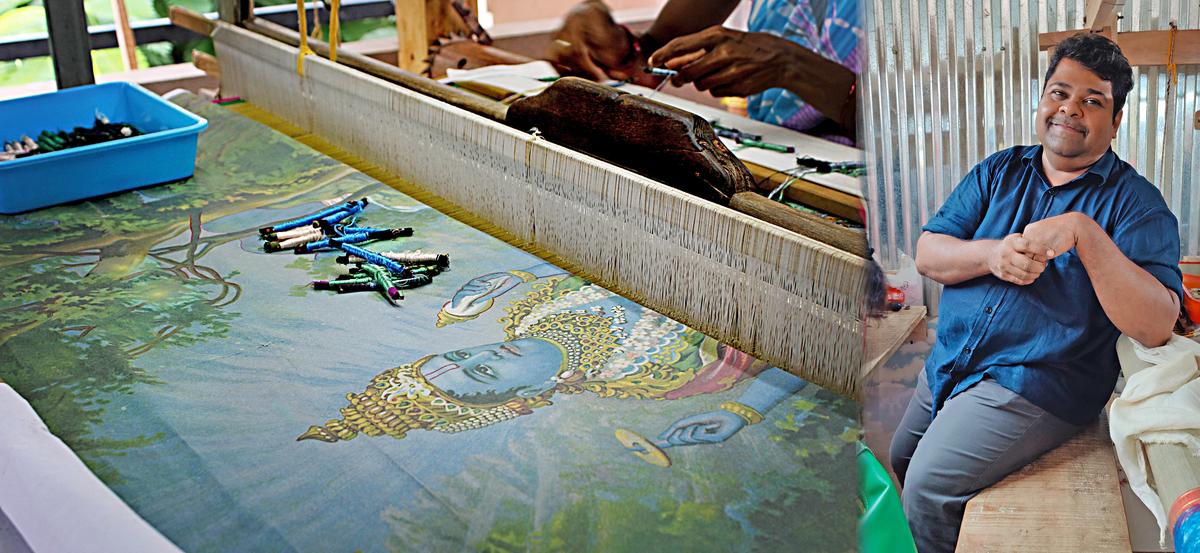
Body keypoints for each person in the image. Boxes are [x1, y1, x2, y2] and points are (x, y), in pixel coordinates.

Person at [888, 33, 1184, 553]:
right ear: (1042, 99)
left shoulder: (1138, 205)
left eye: (1093, 101)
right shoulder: (999, 170)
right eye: (1060, 93)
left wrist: (1084, 234)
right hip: (952, 363)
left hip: (1036, 385)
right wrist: (991, 254)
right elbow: (929, 253)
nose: (1070, 109)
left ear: (1115, 123)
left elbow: (1158, 324)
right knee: (902, 458)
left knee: (929, 486)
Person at [298, 263, 814, 450]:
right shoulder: (649, 379)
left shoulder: (525, 311)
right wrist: (744, 411)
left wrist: (505, 277)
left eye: (461, 352)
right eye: (482, 370)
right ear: (524, 394)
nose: (485, 350)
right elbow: (797, 350)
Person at [548, 0, 860, 142]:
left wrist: (794, 67)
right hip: (782, 146)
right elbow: (655, 53)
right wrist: (635, 52)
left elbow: (904, 125)